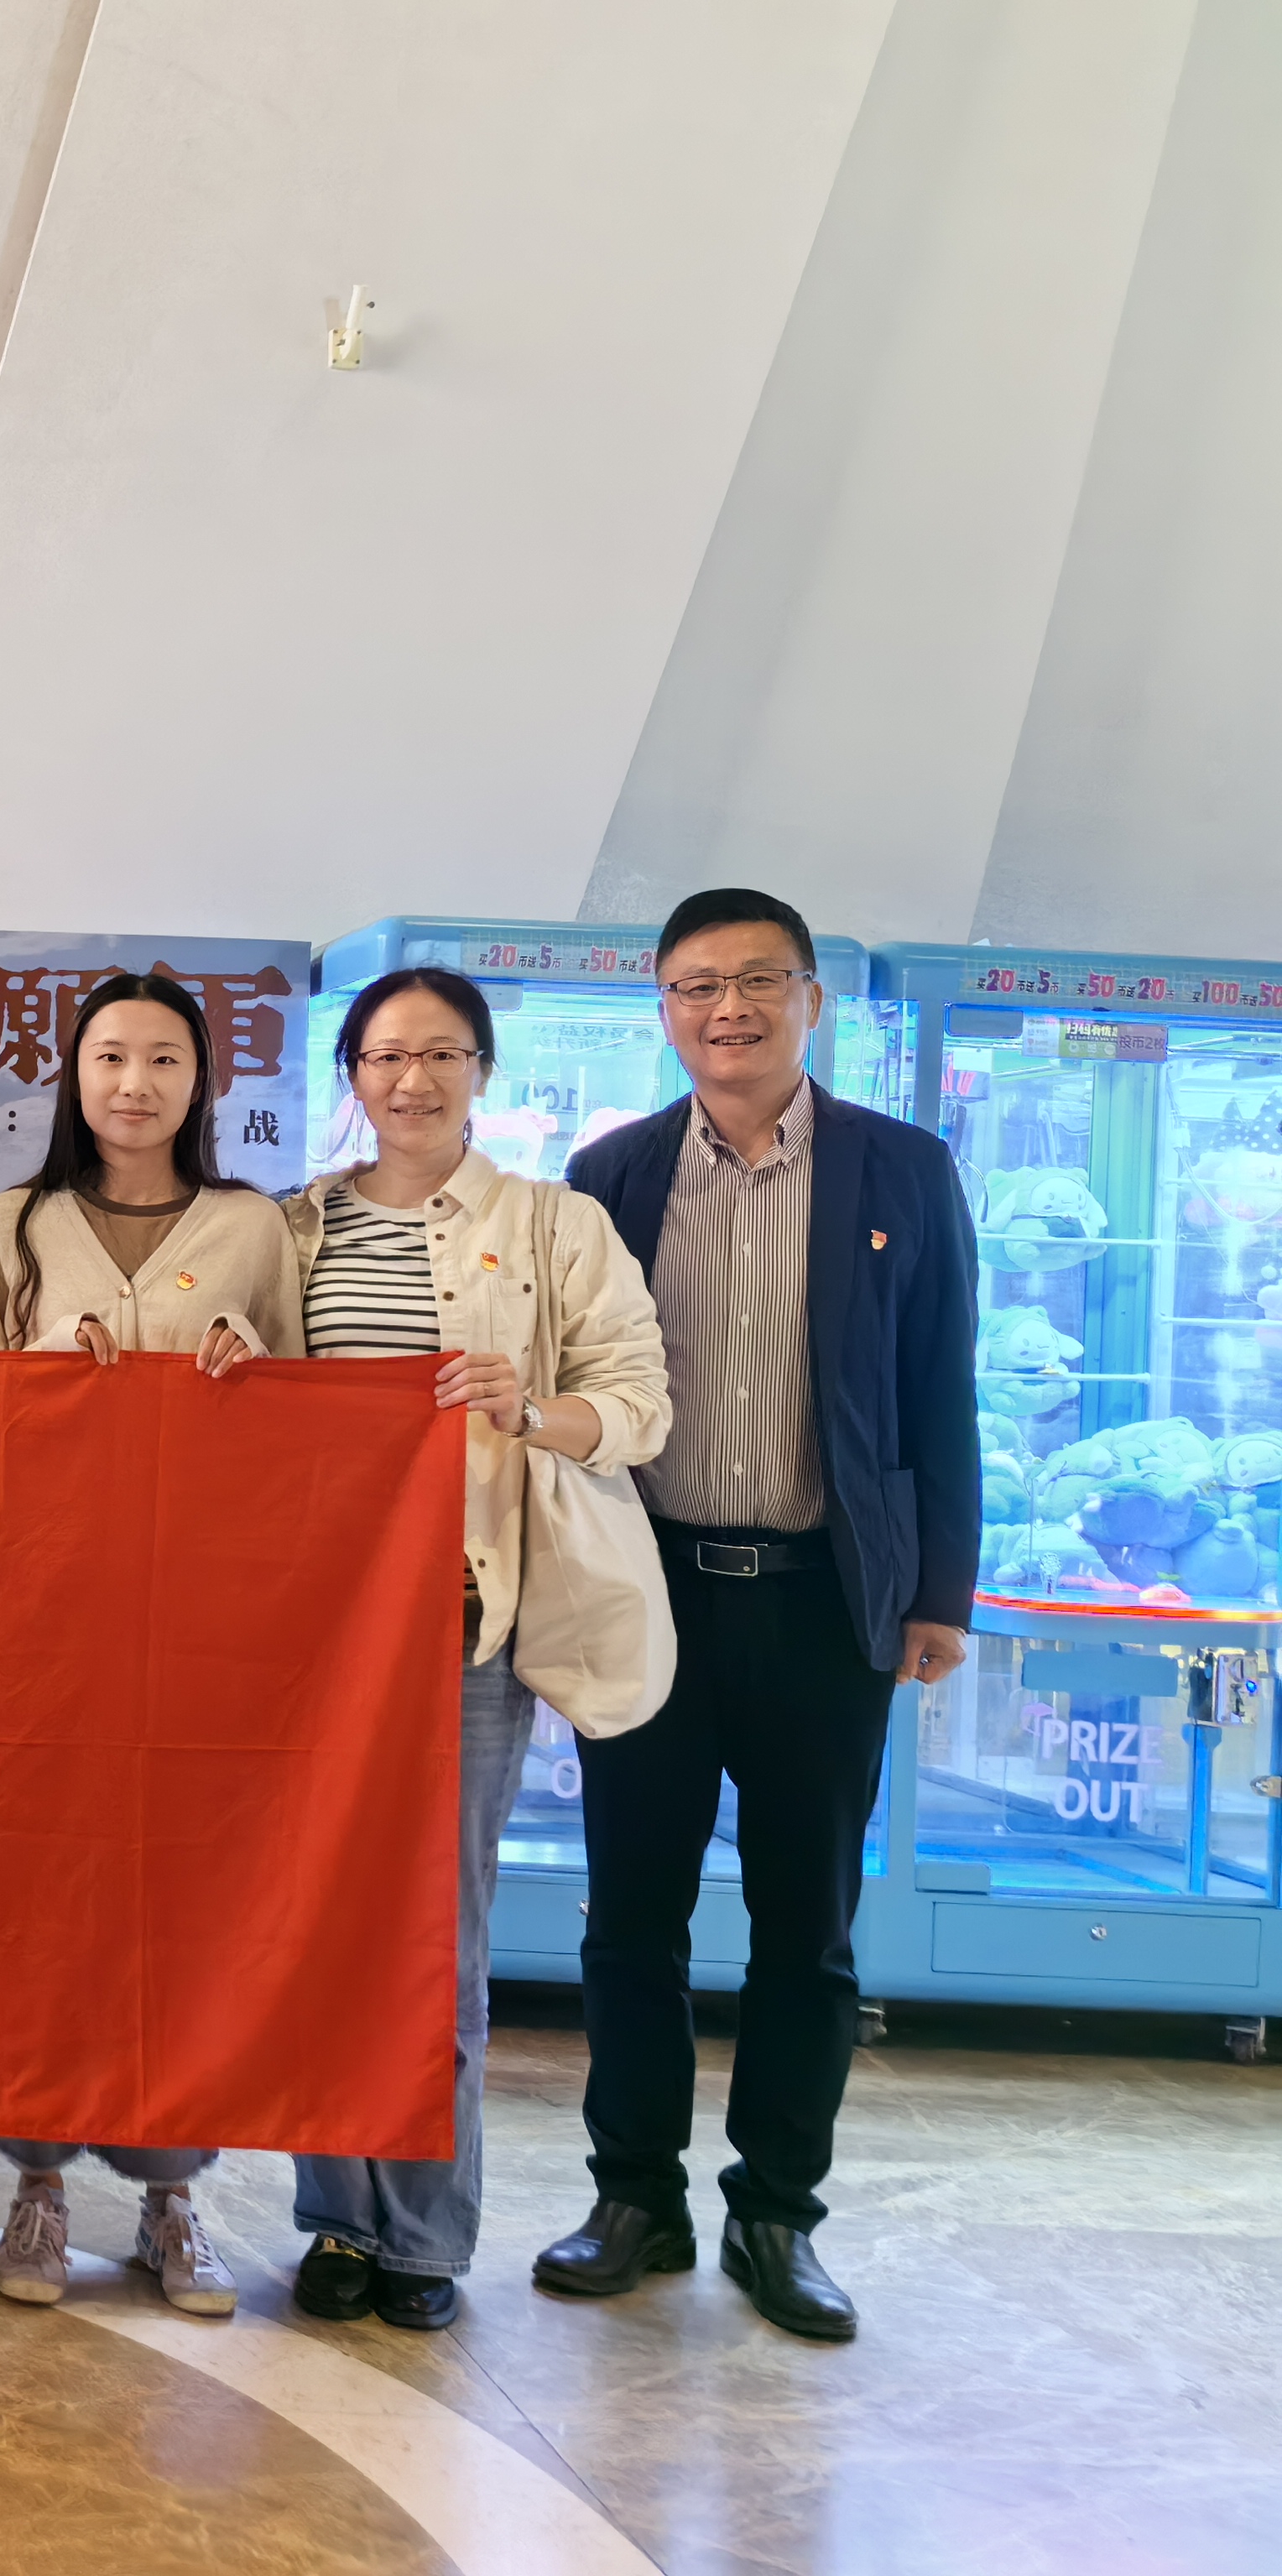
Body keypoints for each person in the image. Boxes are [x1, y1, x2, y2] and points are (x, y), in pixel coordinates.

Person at [534, 889, 975, 2344]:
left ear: (811, 999)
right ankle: (634, 2198)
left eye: (758, 980)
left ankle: (777, 2215)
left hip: (825, 1606)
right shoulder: (608, 1175)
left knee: (809, 1932)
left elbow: (941, 1390)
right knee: (630, 1922)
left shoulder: (902, 1168)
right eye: (697, 985)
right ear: (663, 1008)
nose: (728, 1009)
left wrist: (939, 1593)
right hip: (650, 1595)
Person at [249, 964, 669, 2333]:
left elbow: (639, 1406)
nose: (412, 1080)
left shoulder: (554, 1225)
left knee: (437, 1942)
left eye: (441, 1054)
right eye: (384, 1057)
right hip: (313, 1637)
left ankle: (424, 2237)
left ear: (483, 1069)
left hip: (460, 1628)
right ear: (352, 1077)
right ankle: (337, 2221)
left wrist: (530, 1408)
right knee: (321, 1931)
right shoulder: (291, 1228)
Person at [0, 970, 296, 2317]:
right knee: (41, 1905)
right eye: (109, 1057)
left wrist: (253, 1366)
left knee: (182, 1906)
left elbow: (316, 1422)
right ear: (73, 1073)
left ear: (203, 1080)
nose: (134, 1083)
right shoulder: (13, 1222)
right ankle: (35, 2185)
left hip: (201, 1622)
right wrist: (39, 1366)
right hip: (41, 1617)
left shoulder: (255, 1227)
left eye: (163, 1058)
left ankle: (172, 2196)